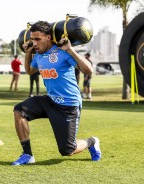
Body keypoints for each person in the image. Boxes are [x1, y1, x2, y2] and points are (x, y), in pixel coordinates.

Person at [11, 21, 101, 166]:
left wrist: (70, 50)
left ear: (48, 37)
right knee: (19, 110)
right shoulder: (39, 55)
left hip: (68, 104)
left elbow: (89, 70)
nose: (34, 43)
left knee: (68, 150)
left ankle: (91, 142)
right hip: (50, 100)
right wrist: (28, 53)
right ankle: (27, 154)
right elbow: (29, 70)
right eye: (32, 39)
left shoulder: (63, 52)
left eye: (37, 39)